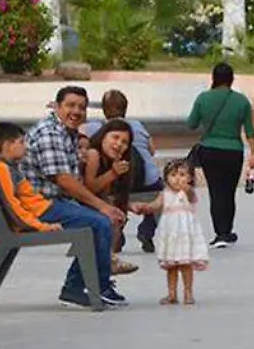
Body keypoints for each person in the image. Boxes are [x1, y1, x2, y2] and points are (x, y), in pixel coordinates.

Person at [18, 87, 128, 307]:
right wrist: (101, 207)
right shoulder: (49, 133)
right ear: (57, 107)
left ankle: (96, 284)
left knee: (100, 217)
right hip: (39, 206)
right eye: (70, 105)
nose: (76, 111)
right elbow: (63, 180)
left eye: (81, 107)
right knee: (99, 220)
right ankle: (82, 288)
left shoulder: (65, 133)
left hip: (50, 202)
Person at [187, 62, 254, 248]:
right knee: (229, 192)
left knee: (216, 191)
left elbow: (191, 124)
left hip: (209, 150)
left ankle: (220, 233)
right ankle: (226, 231)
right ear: (232, 79)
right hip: (233, 151)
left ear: (213, 78)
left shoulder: (203, 98)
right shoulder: (241, 101)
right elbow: (250, 131)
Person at [81, 89, 163, 254]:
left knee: (112, 192)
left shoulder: (93, 127)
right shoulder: (137, 125)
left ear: (104, 109)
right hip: (149, 183)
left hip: (118, 186)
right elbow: (152, 150)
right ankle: (147, 231)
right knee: (162, 195)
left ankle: (117, 233)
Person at [131, 159, 209, 306]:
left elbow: (193, 199)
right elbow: (155, 205)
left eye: (182, 175)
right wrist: (144, 207)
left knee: (186, 265)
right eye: (173, 175)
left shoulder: (188, 193)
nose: (178, 179)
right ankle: (172, 294)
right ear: (166, 178)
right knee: (171, 266)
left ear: (190, 178)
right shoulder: (164, 194)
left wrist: (187, 189)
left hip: (185, 233)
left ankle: (188, 292)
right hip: (170, 234)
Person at [82, 118, 138, 276]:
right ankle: (109, 262)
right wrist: (112, 173)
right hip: (81, 203)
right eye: (115, 137)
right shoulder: (94, 154)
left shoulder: (113, 161)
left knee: (118, 215)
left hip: (95, 204)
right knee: (112, 217)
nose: (119, 144)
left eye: (125, 142)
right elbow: (89, 187)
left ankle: (109, 260)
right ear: (103, 136)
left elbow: (109, 193)